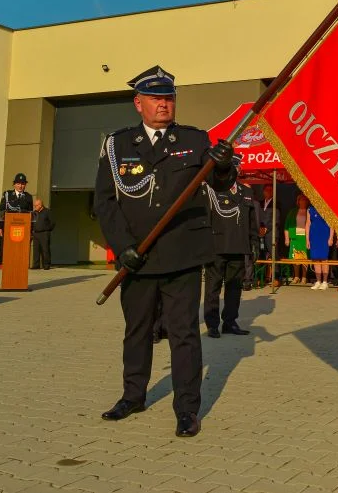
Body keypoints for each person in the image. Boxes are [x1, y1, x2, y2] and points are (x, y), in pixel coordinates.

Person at [93, 65, 235, 437]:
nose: (164, 104)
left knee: (184, 333)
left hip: (182, 254)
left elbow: (220, 183)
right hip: (137, 256)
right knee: (136, 330)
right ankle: (132, 395)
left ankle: (187, 409)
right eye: (156, 98)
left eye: (169, 98)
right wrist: (122, 247)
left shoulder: (196, 139)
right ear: (138, 103)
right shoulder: (117, 145)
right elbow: (105, 202)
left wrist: (223, 166)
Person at [202, 179, 258, 338]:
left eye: (239, 167)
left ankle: (230, 322)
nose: (236, 170)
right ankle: (212, 324)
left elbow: (251, 221)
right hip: (217, 246)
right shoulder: (213, 188)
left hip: (239, 246)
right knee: (213, 288)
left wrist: (255, 242)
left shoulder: (246, 192)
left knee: (234, 288)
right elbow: (206, 217)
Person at [284, 193, 311, 284]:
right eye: (301, 200)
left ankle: (304, 277)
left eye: (305, 200)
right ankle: (296, 276)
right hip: (295, 238)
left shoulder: (309, 211)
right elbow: (286, 226)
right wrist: (287, 238)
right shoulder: (292, 212)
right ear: (298, 201)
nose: (303, 201)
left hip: (305, 238)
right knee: (295, 258)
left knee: (304, 258)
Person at [307, 201, 331, 290]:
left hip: (324, 235)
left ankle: (325, 281)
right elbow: (308, 224)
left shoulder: (327, 207)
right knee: (316, 259)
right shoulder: (310, 209)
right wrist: (307, 239)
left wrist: (331, 237)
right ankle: (318, 281)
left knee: (324, 259)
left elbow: (332, 223)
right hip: (314, 236)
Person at [31, 198, 56, 270]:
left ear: (40, 205)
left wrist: (48, 229)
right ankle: (36, 265)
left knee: (45, 249)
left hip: (44, 233)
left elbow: (53, 222)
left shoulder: (47, 211)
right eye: (34, 205)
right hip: (35, 233)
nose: (35, 207)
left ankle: (46, 265)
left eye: (36, 205)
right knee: (36, 250)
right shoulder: (34, 213)